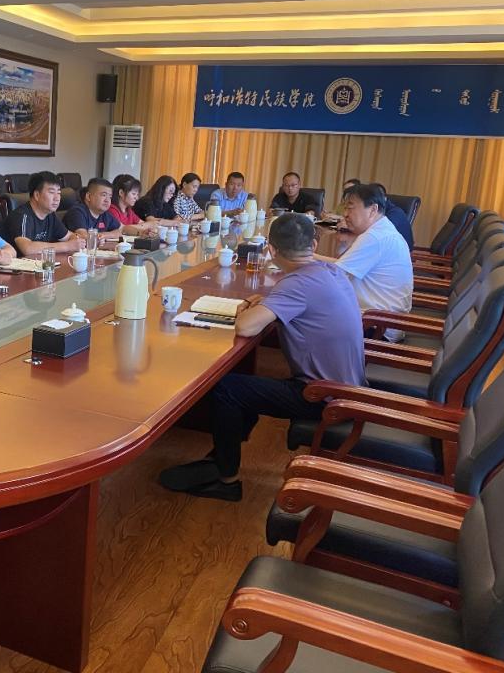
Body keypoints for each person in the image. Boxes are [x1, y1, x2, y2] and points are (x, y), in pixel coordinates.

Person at [158, 213, 366, 501]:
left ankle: (226, 479)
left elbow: (245, 326)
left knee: (227, 389)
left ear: (271, 250)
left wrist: (248, 307)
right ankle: (222, 455)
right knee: (242, 386)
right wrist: (266, 303)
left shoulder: (297, 284)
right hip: (350, 387)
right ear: (314, 245)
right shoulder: (330, 271)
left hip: (325, 396)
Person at [314, 184, 413, 341]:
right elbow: (342, 265)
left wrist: (296, 268)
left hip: (376, 327)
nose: (345, 214)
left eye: (350, 208)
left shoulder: (375, 237)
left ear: (373, 209)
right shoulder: (382, 230)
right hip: (382, 321)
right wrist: (311, 257)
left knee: (302, 319)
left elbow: (334, 276)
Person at [5, 171, 83, 256]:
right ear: (37, 195)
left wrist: (77, 241)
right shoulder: (22, 216)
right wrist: (67, 246)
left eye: (59, 193)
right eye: (52, 192)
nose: (57, 198)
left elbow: (69, 236)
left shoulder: (50, 215)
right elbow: (27, 248)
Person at [370, 182, 415, 250]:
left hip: (397, 252)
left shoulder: (395, 213)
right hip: (384, 246)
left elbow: (380, 232)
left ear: (384, 198)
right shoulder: (377, 210)